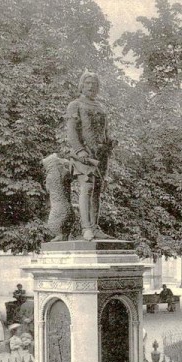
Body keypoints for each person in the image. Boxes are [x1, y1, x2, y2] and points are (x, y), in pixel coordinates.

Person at [66, 71, 116, 241]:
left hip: (101, 154)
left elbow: (104, 130)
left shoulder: (100, 107)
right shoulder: (75, 105)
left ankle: (94, 227)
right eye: (87, 82)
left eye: (94, 83)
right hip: (84, 153)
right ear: (81, 84)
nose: (91, 86)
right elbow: (71, 131)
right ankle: (86, 228)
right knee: (87, 187)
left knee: (97, 191)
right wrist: (79, 150)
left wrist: (110, 141)